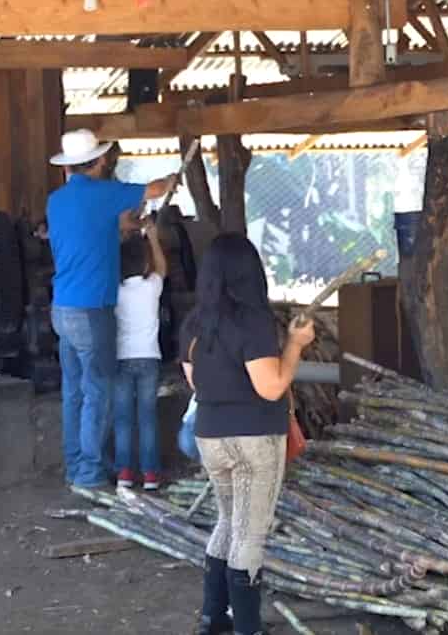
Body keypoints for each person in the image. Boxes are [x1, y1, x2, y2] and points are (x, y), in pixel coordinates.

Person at [180, 234, 314, 635]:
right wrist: (295, 344)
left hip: (211, 437)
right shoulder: (252, 322)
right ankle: (247, 628)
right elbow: (270, 387)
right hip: (255, 438)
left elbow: (195, 383)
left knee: (227, 521)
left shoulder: (194, 324)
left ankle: (213, 618)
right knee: (250, 533)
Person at [48, 129, 178, 489]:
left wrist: (132, 225)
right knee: (97, 392)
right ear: (101, 161)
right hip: (92, 310)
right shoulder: (104, 192)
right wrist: (173, 177)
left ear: (68, 166)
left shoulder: (56, 201)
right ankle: (89, 473)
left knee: (73, 391)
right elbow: (154, 190)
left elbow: (107, 223)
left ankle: (75, 465)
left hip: (62, 308)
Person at [113, 224, 167, 491]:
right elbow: (162, 268)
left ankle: (124, 473)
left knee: (123, 416)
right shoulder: (151, 287)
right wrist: (154, 238)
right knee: (147, 416)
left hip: (122, 358)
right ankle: (150, 475)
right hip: (149, 358)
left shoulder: (116, 292)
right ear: (144, 261)